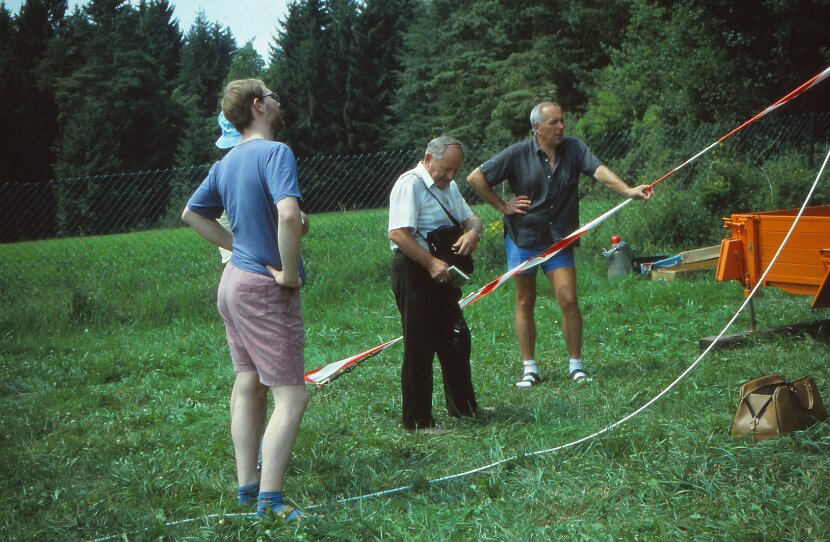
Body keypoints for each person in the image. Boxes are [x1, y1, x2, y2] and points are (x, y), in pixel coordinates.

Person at [182, 79, 308, 521]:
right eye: (273, 95)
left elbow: (192, 214)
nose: (278, 100)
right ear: (259, 106)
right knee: (292, 397)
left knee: (249, 384)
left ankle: (247, 488)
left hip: (232, 284)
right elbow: (289, 215)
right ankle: (271, 502)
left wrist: (240, 247)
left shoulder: (228, 160)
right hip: (264, 289)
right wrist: (288, 275)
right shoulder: (277, 153)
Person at [467, 102, 652, 388]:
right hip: (523, 240)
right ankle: (530, 369)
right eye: (554, 123)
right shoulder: (518, 153)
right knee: (525, 301)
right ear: (537, 128)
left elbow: (600, 171)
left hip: (559, 241)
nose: (561, 127)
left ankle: (576, 366)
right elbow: (475, 177)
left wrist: (628, 190)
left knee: (568, 299)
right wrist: (503, 206)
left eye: (562, 121)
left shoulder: (574, 148)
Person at [388, 135, 485, 434]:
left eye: (456, 170)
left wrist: (472, 234)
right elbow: (398, 234)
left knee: (456, 340)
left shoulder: (450, 187)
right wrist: (430, 263)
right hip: (415, 271)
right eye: (446, 168)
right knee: (420, 347)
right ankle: (418, 422)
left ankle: (464, 407)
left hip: (444, 271)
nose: (451, 175)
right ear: (428, 158)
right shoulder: (410, 184)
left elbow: (473, 220)